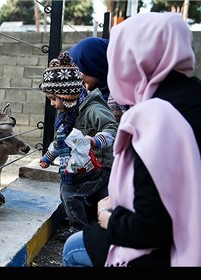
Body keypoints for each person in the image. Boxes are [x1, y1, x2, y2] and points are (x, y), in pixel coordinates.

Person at [63, 12, 201, 267]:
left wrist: (105, 215)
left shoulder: (154, 119)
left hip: (174, 250)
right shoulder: (193, 95)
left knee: (73, 248)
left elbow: (149, 229)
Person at [39, 50, 118, 241]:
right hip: (84, 164)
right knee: (95, 195)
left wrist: (96, 141)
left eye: (53, 99)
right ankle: (86, 217)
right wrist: (48, 158)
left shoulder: (92, 109)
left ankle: (78, 228)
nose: (52, 104)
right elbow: (61, 140)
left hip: (101, 165)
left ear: (66, 96)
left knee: (70, 191)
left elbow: (112, 128)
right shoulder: (68, 113)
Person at [69, 37, 129, 123]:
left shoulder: (127, 92)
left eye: (80, 70)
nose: (78, 77)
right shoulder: (85, 96)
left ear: (95, 65)